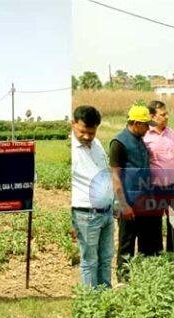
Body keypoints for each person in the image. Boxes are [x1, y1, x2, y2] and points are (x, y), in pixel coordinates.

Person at [110, 105, 162, 283]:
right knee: (127, 243)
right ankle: (124, 279)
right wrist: (123, 204)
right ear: (137, 123)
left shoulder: (140, 139)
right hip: (128, 202)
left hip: (145, 200)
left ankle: (143, 276)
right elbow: (115, 176)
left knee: (147, 241)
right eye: (146, 125)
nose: (149, 128)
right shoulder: (119, 143)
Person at [70, 105, 114, 289]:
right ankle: (91, 303)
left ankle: (105, 297)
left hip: (106, 212)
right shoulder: (71, 150)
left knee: (106, 258)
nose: (87, 136)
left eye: (92, 132)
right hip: (85, 215)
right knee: (90, 261)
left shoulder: (97, 145)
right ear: (73, 124)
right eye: (83, 131)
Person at [143, 100, 174, 263]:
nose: (166, 117)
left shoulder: (171, 133)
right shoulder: (145, 135)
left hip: (173, 187)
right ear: (152, 116)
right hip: (154, 188)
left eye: (166, 113)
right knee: (154, 222)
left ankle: (172, 253)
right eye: (163, 114)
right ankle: (155, 255)